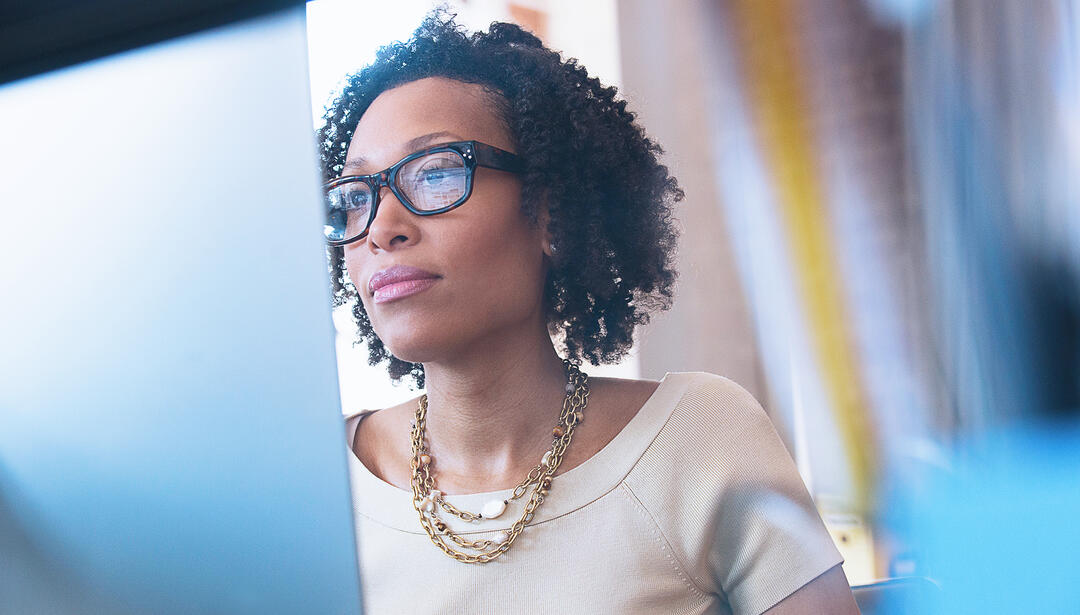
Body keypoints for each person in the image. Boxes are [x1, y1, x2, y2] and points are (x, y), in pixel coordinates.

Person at [318, 12, 859, 615]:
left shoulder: (700, 439)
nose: (382, 228)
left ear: (550, 214)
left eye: (438, 173)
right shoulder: (317, 482)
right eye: (356, 197)